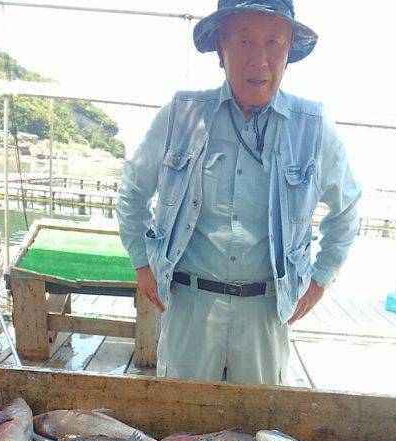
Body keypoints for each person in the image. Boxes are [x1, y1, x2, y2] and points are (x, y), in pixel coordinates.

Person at [117, 0, 361, 385]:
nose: (259, 60)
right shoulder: (181, 115)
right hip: (191, 305)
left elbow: (346, 212)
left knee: (259, 419)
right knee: (181, 417)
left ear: (289, 51)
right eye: (244, 41)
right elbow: (132, 192)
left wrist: (318, 282)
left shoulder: (314, 129)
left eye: (273, 43)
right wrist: (142, 263)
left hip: (267, 311)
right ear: (221, 48)